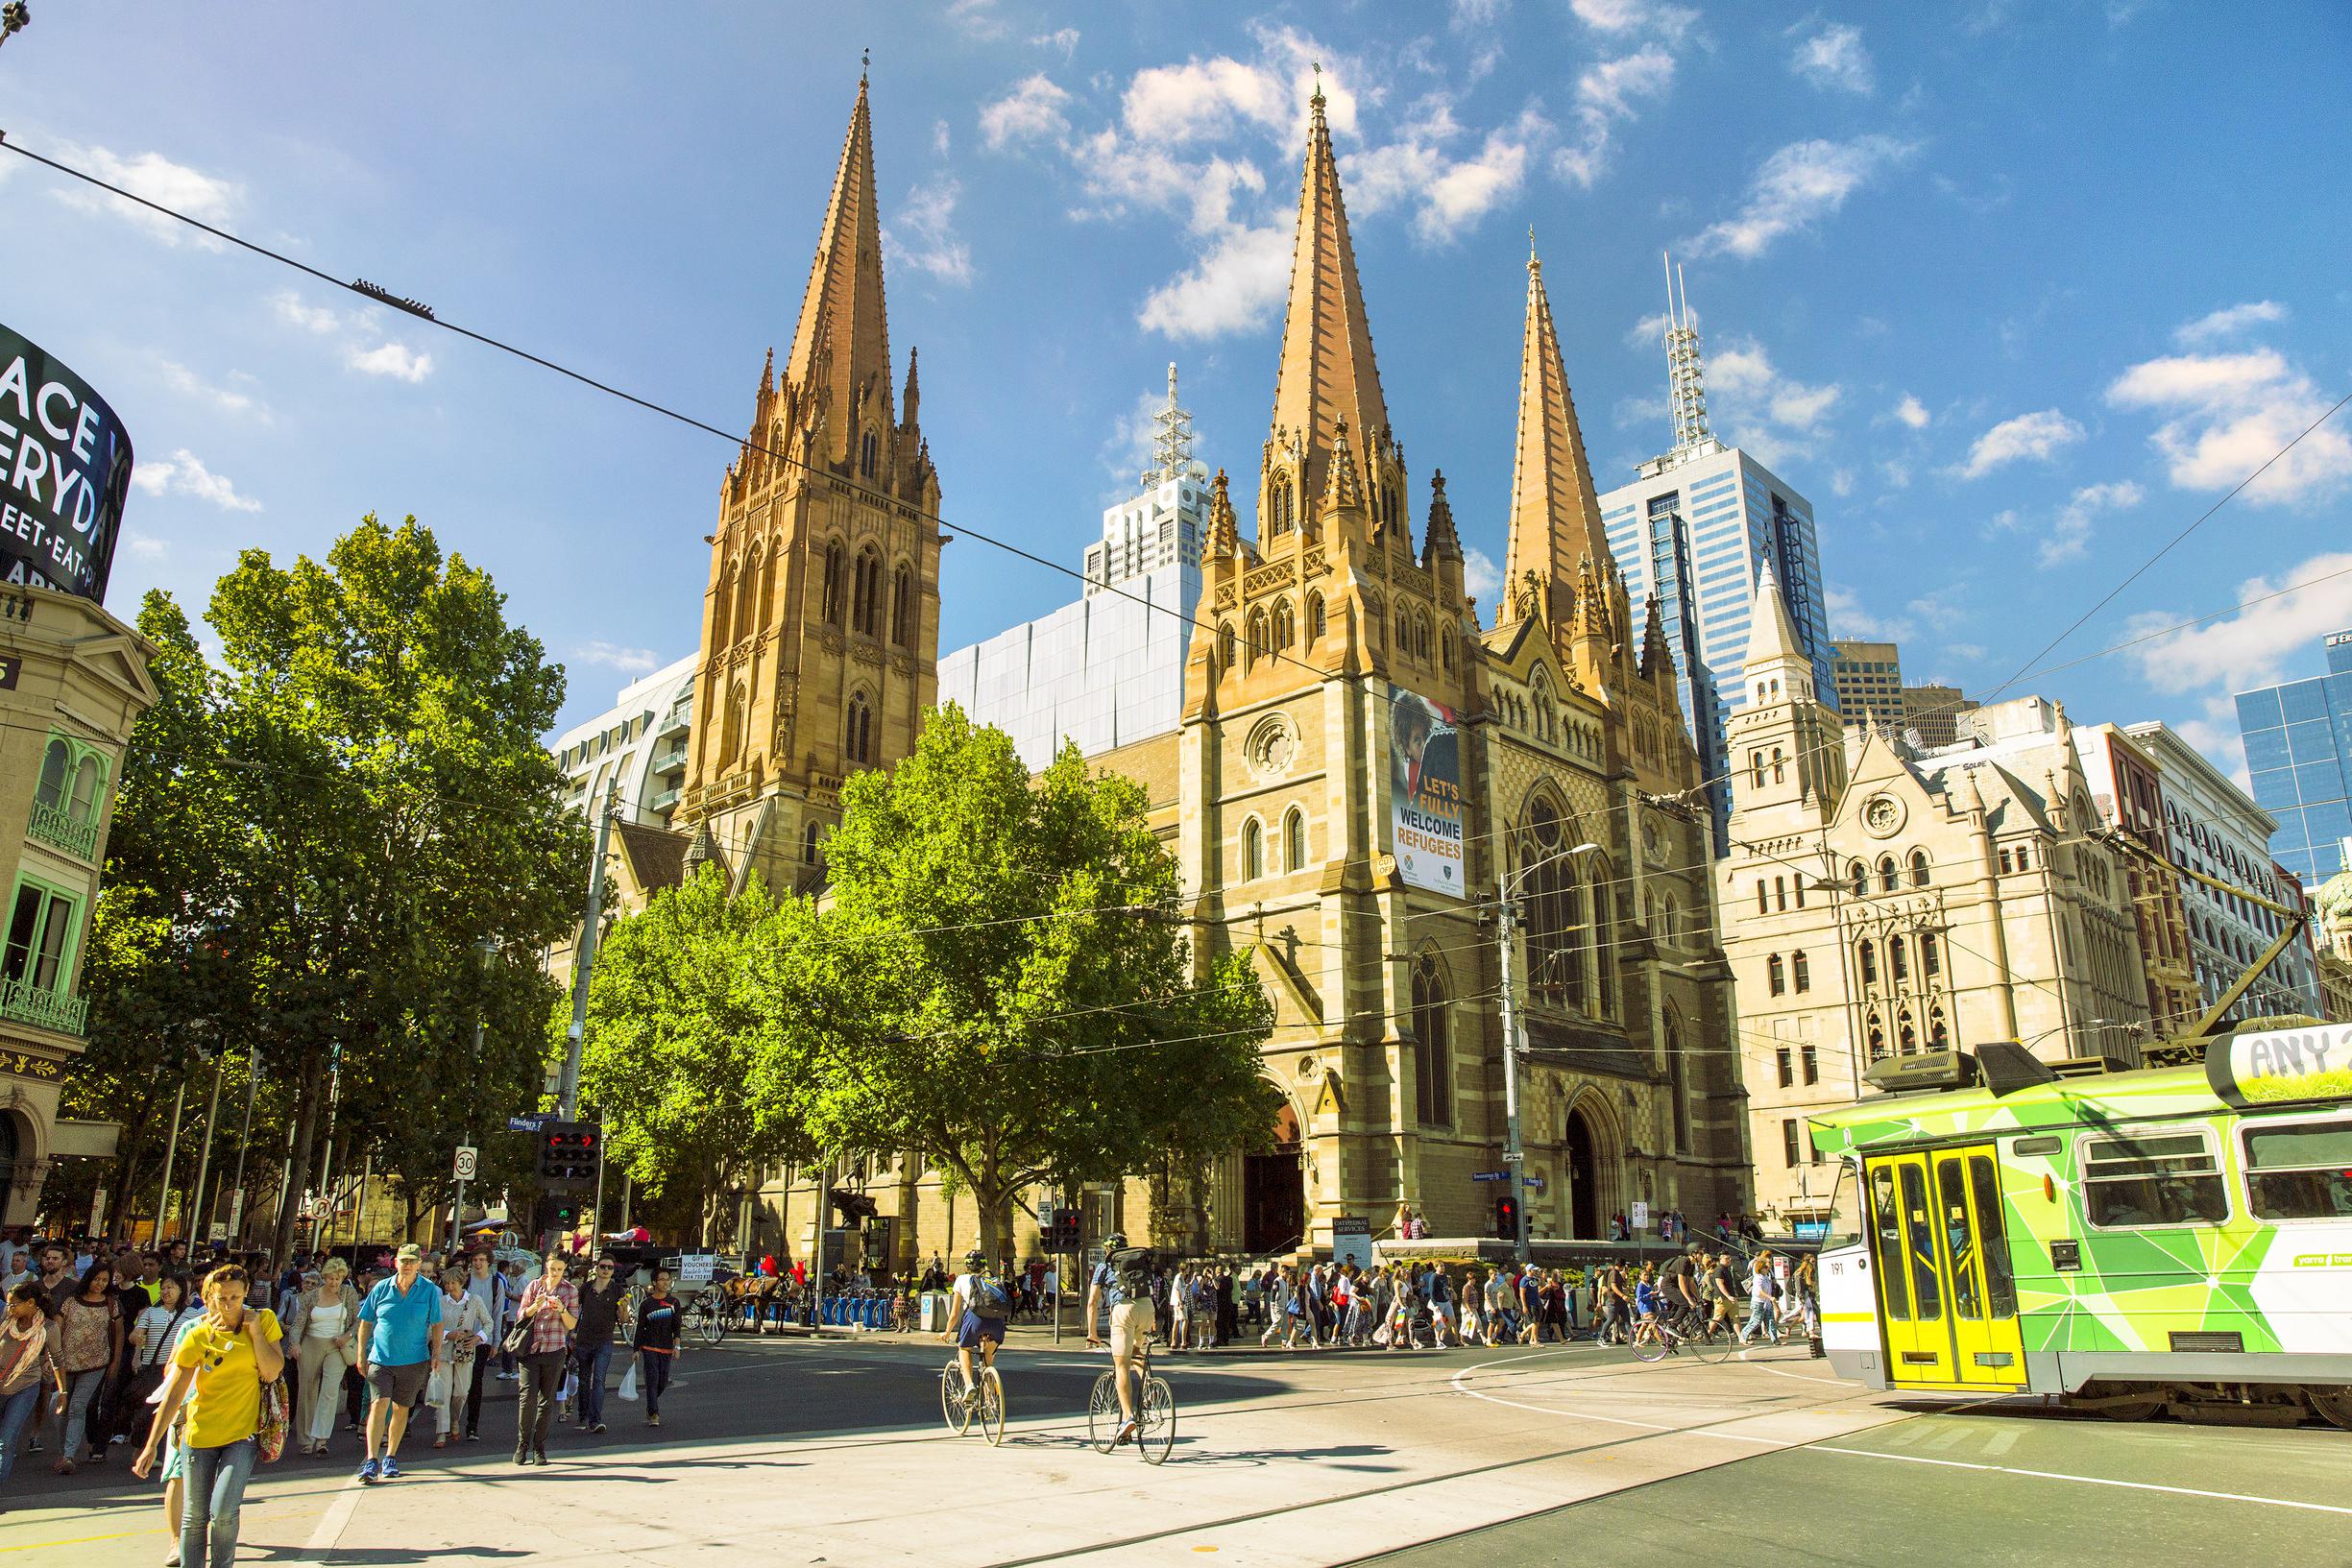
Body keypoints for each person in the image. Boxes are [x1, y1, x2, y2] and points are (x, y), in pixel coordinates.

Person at [133, 1264, 284, 1568]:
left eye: (235, 1297)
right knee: (194, 1516)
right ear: (209, 1297)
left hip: (242, 1435)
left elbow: (271, 1371)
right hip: (199, 1434)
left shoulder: (264, 1321)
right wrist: (151, 1445)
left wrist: (254, 1333)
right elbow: (175, 1393)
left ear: (245, 1295)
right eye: (221, 1298)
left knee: (225, 1511)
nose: (227, 1305)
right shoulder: (197, 1333)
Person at [355, 1243, 443, 1484]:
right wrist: (361, 1354)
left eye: (412, 1261)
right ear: (396, 1263)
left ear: (418, 1264)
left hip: (414, 1361)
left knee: (401, 1408)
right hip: (381, 1359)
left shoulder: (428, 1291)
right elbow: (365, 1322)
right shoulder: (381, 1288)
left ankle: (391, 1456)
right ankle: (372, 1459)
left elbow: (437, 1324)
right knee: (379, 1405)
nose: (407, 1265)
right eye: (403, 1261)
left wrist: (436, 1353)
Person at [1084, 1232, 1155, 1445]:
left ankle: (1128, 1417)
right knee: (1136, 1353)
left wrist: (1092, 1333)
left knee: (1121, 1366)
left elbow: (1093, 1302)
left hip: (1124, 1311)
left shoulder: (1105, 1266)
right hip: (1147, 1308)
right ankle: (1150, 1388)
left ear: (1108, 1249)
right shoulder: (1138, 1264)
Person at [52, 1260, 122, 1472]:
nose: (99, 1283)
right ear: (88, 1278)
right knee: (59, 1406)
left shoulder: (111, 1304)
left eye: (104, 1280)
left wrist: (115, 1361)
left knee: (78, 1406)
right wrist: (50, 1358)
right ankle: (63, 1449)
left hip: (96, 1363)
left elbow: (119, 1332)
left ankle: (68, 1455)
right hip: (65, 1363)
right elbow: (56, 1330)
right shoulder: (71, 1301)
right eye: (96, 1279)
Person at [0, 1281, 66, 1495]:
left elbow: (57, 1359)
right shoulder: (4, 1319)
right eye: (8, 1305)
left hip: (25, 1387)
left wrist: (63, 1391)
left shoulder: (49, 1328)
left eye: (14, 1305)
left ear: (31, 1303)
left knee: (6, 1441)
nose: (10, 1309)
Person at [512, 1251, 577, 1465]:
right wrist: (535, 1306)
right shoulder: (533, 1286)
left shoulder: (570, 1290)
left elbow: (571, 1324)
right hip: (530, 1349)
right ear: (546, 1268)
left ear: (564, 1269)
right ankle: (522, 1444)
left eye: (559, 1269)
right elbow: (521, 1316)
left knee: (546, 1401)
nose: (555, 1273)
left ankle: (539, 1447)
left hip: (554, 1349)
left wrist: (561, 1309)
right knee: (527, 1398)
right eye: (552, 1269)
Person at [288, 1259, 358, 1458]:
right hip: (311, 1343)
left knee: (329, 1390)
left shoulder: (348, 1293)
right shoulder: (310, 1297)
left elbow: (357, 1321)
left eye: (337, 1279)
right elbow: (299, 1323)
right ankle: (306, 1439)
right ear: (324, 1278)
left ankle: (322, 1438)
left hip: (337, 1345)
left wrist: (347, 1336)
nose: (334, 1283)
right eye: (330, 1278)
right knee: (307, 1391)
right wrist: (294, 1343)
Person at [124, 1274, 195, 1448]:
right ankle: (140, 1446)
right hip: (152, 1368)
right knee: (146, 1410)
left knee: (171, 1410)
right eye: (163, 1288)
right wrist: (136, 1338)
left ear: (181, 1290)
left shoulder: (192, 1315)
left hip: (177, 1368)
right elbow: (136, 1334)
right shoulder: (151, 1312)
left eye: (170, 1287)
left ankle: (162, 1450)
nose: (165, 1291)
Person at [570, 1256, 629, 1434]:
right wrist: (572, 1332)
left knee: (599, 1380)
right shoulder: (586, 1288)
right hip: (584, 1339)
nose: (606, 1270)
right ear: (597, 1268)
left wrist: (624, 1308)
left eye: (610, 1268)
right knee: (583, 1380)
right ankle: (583, 1415)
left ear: (613, 1271)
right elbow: (574, 1310)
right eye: (603, 1266)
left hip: (604, 1340)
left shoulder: (618, 1290)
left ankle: (595, 1420)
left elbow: (624, 1320)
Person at [434, 1267, 491, 1447]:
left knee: (461, 1392)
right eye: (447, 1283)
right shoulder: (441, 1302)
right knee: (443, 1393)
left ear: (462, 1283)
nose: (450, 1287)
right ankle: (441, 1432)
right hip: (444, 1352)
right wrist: (446, 1334)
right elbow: (431, 1328)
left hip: (465, 1352)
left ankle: (454, 1419)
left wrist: (477, 1338)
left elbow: (488, 1322)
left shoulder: (474, 1301)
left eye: (454, 1283)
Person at [943, 1248, 1007, 1405]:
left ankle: (969, 1385)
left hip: (975, 1320)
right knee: (988, 1361)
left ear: (967, 1266)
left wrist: (947, 1332)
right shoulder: (993, 1280)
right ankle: (990, 1398)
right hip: (997, 1323)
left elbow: (954, 1314)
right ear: (984, 1266)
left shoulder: (961, 1280)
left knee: (964, 1348)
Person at [460, 1250, 512, 1441]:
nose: (478, 1263)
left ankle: (472, 1425)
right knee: (457, 1383)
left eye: (482, 1260)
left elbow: (498, 1313)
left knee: (476, 1381)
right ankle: (450, 1421)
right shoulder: (465, 1280)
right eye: (475, 1260)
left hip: (483, 1338)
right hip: (461, 1336)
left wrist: (496, 1341)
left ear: (489, 1262)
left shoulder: (496, 1282)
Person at [632, 1266, 681, 1426]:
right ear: (654, 1282)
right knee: (652, 1379)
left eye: (668, 1279)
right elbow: (640, 1328)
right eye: (662, 1280)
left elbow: (677, 1327)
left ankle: (651, 1403)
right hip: (650, 1347)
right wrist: (636, 1349)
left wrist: (677, 1346)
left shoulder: (674, 1302)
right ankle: (654, 1413)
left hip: (666, 1347)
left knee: (663, 1381)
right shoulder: (647, 1304)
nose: (666, 1283)